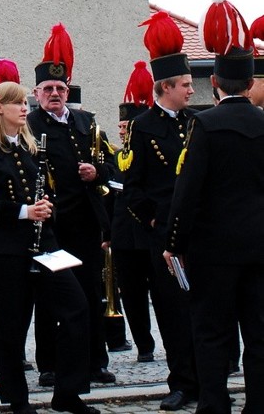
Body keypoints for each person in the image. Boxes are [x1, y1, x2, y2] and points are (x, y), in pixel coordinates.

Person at [164, 0, 264, 414]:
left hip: (214, 251)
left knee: (212, 334)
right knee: (259, 335)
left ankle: (214, 404)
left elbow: (189, 191)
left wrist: (174, 240)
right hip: (260, 248)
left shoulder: (205, 124)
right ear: (249, 83)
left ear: (216, 85)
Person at [0, 81, 97, 414]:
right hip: (5, 251)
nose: (24, 108)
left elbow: (50, 195)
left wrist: (47, 207)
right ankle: (18, 400)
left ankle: (68, 391)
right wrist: (24, 212)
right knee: (11, 327)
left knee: (77, 309)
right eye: (17, 103)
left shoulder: (32, 149)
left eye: (24, 102)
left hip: (44, 246)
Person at [26, 25, 115, 388]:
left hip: (85, 222)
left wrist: (96, 173)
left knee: (90, 294)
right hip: (51, 224)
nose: (55, 94)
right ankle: (49, 363)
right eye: (48, 89)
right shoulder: (29, 125)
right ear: (36, 93)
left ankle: (96, 360)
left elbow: (112, 166)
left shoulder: (85, 121)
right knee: (51, 296)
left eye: (60, 89)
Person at [123, 11, 198, 411]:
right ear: (166, 87)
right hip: (165, 236)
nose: (191, 90)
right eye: (185, 85)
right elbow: (134, 189)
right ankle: (182, 381)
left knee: (203, 310)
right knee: (171, 311)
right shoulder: (143, 127)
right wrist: (155, 222)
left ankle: (207, 377)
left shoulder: (196, 123)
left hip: (199, 233)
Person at [110, 63, 156, 364]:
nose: (121, 131)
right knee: (132, 295)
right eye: (121, 127)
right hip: (124, 236)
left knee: (163, 296)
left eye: (126, 128)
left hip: (150, 234)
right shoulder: (114, 156)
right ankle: (144, 345)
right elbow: (107, 199)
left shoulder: (152, 153)